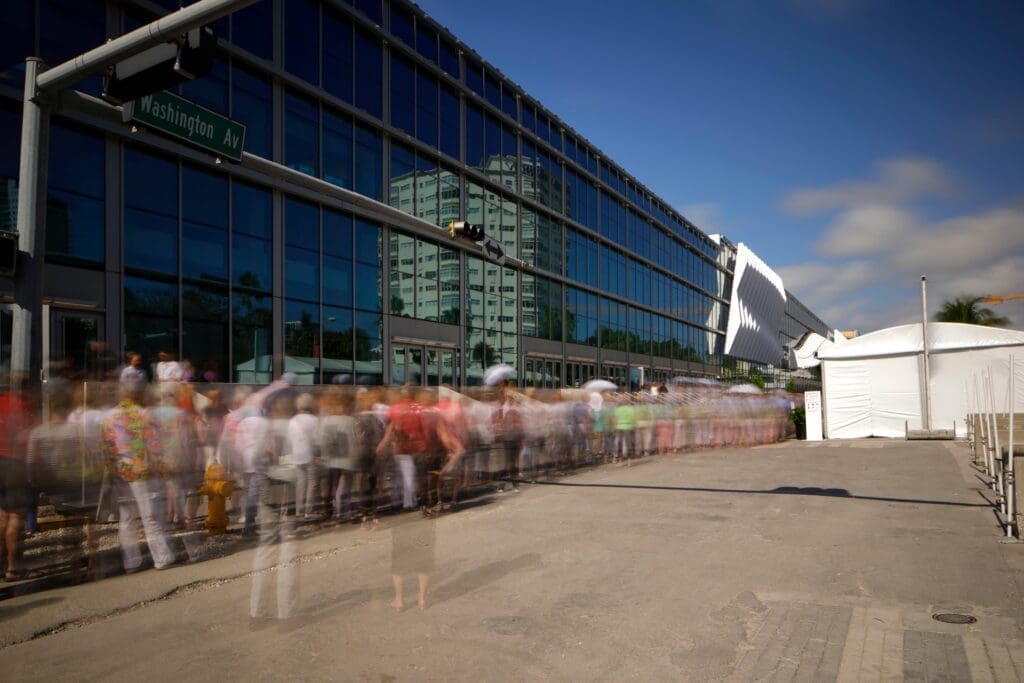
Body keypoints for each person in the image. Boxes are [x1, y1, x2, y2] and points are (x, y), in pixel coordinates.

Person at [103, 379, 176, 572]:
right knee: (150, 516)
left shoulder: (110, 416)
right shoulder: (144, 415)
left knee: (126, 519)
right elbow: (155, 447)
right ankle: (162, 558)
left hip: (121, 473)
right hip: (142, 472)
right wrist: (166, 473)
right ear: (138, 394)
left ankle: (131, 562)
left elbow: (107, 447)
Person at [0, 383, 31, 581]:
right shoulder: (17, 403)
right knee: (16, 515)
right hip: (13, 462)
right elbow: (26, 435)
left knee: (1, 514)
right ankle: (14, 567)